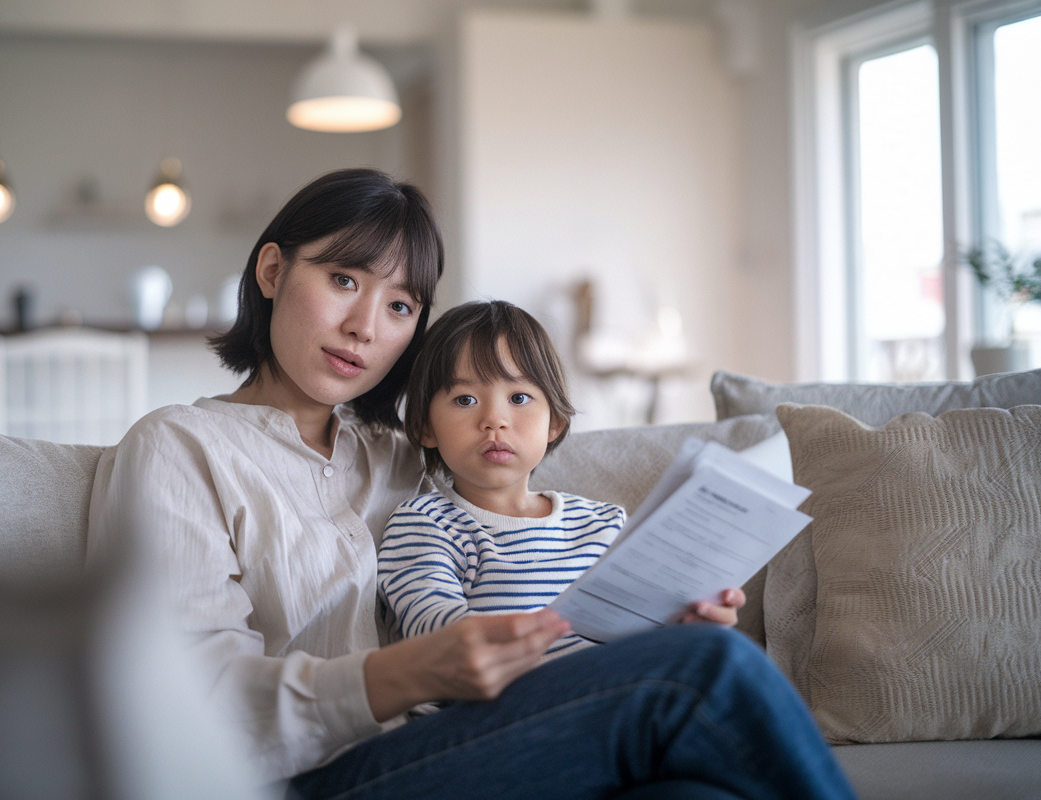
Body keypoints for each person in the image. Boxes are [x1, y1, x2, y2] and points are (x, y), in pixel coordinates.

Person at [86, 168, 857, 800]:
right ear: (272, 271)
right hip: (309, 781)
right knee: (708, 672)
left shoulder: (405, 457)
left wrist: (657, 615)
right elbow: (182, 710)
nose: (365, 326)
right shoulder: (179, 448)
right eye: (344, 279)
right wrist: (408, 672)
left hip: (462, 749)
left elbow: (521, 492)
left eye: (400, 305)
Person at [379, 300, 742, 660]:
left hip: (625, 685)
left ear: (554, 422)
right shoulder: (427, 524)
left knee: (724, 648)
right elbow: (437, 641)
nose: (495, 420)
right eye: (465, 400)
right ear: (425, 427)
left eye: (519, 397)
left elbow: (650, 632)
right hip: (515, 693)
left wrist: (692, 622)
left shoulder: (606, 525)